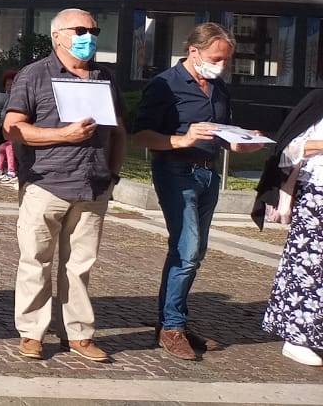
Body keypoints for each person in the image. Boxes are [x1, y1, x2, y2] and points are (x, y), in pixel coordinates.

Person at [132, 23, 262, 360]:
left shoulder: (218, 87)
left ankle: (172, 321)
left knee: (193, 252)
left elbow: (219, 130)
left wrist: (241, 140)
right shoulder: (166, 85)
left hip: (208, 175)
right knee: (187, 251)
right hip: (176, 173)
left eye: (227, 60)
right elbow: (141, 135)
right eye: (216, 58)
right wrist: (182, 139)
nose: (222, 65)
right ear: (194, 51)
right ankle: (172, 327)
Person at [3, 8, 125, 363]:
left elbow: (118, 130)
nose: (88, 36)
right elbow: (13, 128)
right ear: (57, 36)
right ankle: (32, 333)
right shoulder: (34, 75)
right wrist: (62, 135)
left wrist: (112, 174)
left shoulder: (104, 77)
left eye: (94, 29)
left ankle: (80, 334)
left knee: (80, 266)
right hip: (47, 184)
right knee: (35, 262)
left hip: (93, 187)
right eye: (80, 30)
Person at [253, 87, 323, 367]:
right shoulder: (318, 102)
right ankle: (297, 338)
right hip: (317, 195)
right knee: (308, 268)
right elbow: (288, 149)